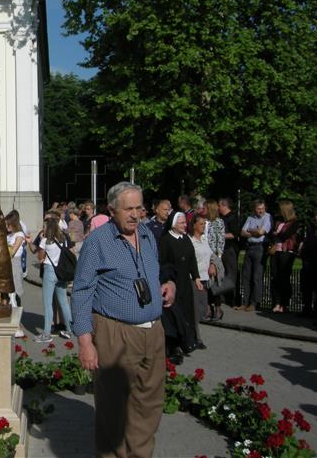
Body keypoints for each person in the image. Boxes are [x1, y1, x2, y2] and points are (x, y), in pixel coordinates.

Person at [71, 182, 176, 458]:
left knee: (149, 403)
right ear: (112, 210)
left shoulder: (147, 235)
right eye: (128, 209)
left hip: (152, 332)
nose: (135, 214)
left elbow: (153, 272)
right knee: (113, 409)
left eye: (139, 208)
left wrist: (167, 284)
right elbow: (82, 291)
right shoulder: (98, 241)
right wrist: (85, 342)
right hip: (115, 333)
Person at [159, 211, 203, 351]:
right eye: (182, 223)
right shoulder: (165, 240)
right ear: (173, 224)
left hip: (185, 282)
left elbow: (192, 260)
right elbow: (162, 262)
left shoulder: (186, 239)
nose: (185, 225)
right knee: (176, 312)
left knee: (188, 311)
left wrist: (196, 277)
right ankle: (175, 342)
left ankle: (191, 339)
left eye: (185, 223)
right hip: (173, 282)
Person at [31, 217, 73, 342]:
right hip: (61, 271)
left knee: (47, 303)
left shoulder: (45, 240)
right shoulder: (64, 240)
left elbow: (40, 257)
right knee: (63, 302)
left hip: (49, 271)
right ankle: (70, 329)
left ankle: (46, 333)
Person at [238, 200, 272, 311]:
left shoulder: (267, 217)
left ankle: (254, 303)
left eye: (262, 208)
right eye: (258, 208)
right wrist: (255, 231)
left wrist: (250, 230)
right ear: (254, 209)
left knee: (256, 277)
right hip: (250, 247)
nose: (260, 211)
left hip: (260, 247)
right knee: (246, 276)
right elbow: (242, 232)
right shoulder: (250, 218)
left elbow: (261, 233)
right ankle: (245, 302)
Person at [270, 200, 301, 313]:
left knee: (284, 277)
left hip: (286, 251)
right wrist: (275, 235)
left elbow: (285, 235)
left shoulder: (294, 222)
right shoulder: (278, 221)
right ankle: (276, 302)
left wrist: (276, 234)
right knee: (275, 277)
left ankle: (284, 303)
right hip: (276, 251)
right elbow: (272, 234)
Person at [300, 210, 317, 318]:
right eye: (316, 220)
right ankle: (307, 308)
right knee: (306, 287)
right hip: (308, 261)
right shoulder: (311, 231)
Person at [218, 198, 240, 306]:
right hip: (222, 249)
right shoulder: (221, 218)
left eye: (219, 205)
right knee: (222, 273)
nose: (218, 208)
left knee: (231, 274)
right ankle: (223, 297)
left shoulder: (233, 217)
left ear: (224, 206)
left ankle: (233, 299)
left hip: (229, 248)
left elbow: (234, 234)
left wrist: (220, 236)